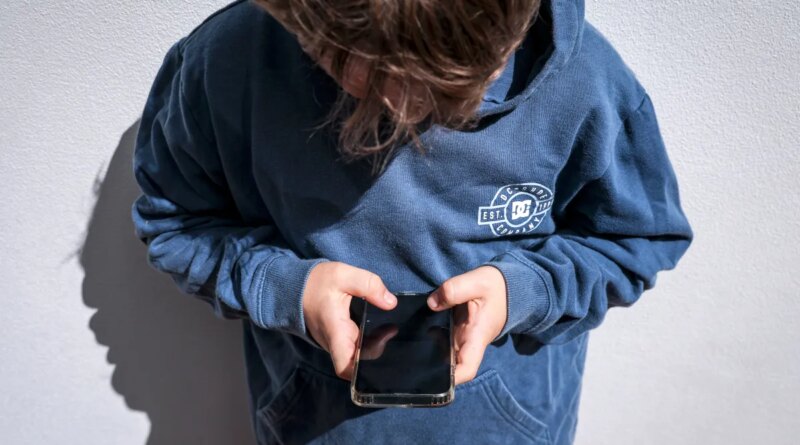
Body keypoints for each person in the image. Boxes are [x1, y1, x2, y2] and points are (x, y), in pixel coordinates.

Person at [131, 0, 693, 443]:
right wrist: (288, 289)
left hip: (513, 429)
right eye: (369, 79)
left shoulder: (587, 85)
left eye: (450, 94)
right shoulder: (228, 64)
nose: (405, 110)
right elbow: (176, 222)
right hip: (309, 426)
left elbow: (634, 238)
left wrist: (522, 290)